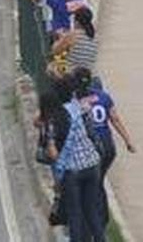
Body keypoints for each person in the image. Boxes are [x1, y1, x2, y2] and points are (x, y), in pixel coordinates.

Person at [44, 74, 108, 242]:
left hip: (73, 170)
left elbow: (53, 153)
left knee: (75, 214)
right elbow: (91, 131)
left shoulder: (54, 118)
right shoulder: (81, 108)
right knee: (91, 210)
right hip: (92, 163)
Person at [52, 6, 99, 75]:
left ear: (76, 22)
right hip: (87, 74)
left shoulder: (73, 35)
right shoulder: (96, 37)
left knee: (51, 66)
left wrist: (60, 38)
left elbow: (55, 50)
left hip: (71, 74)